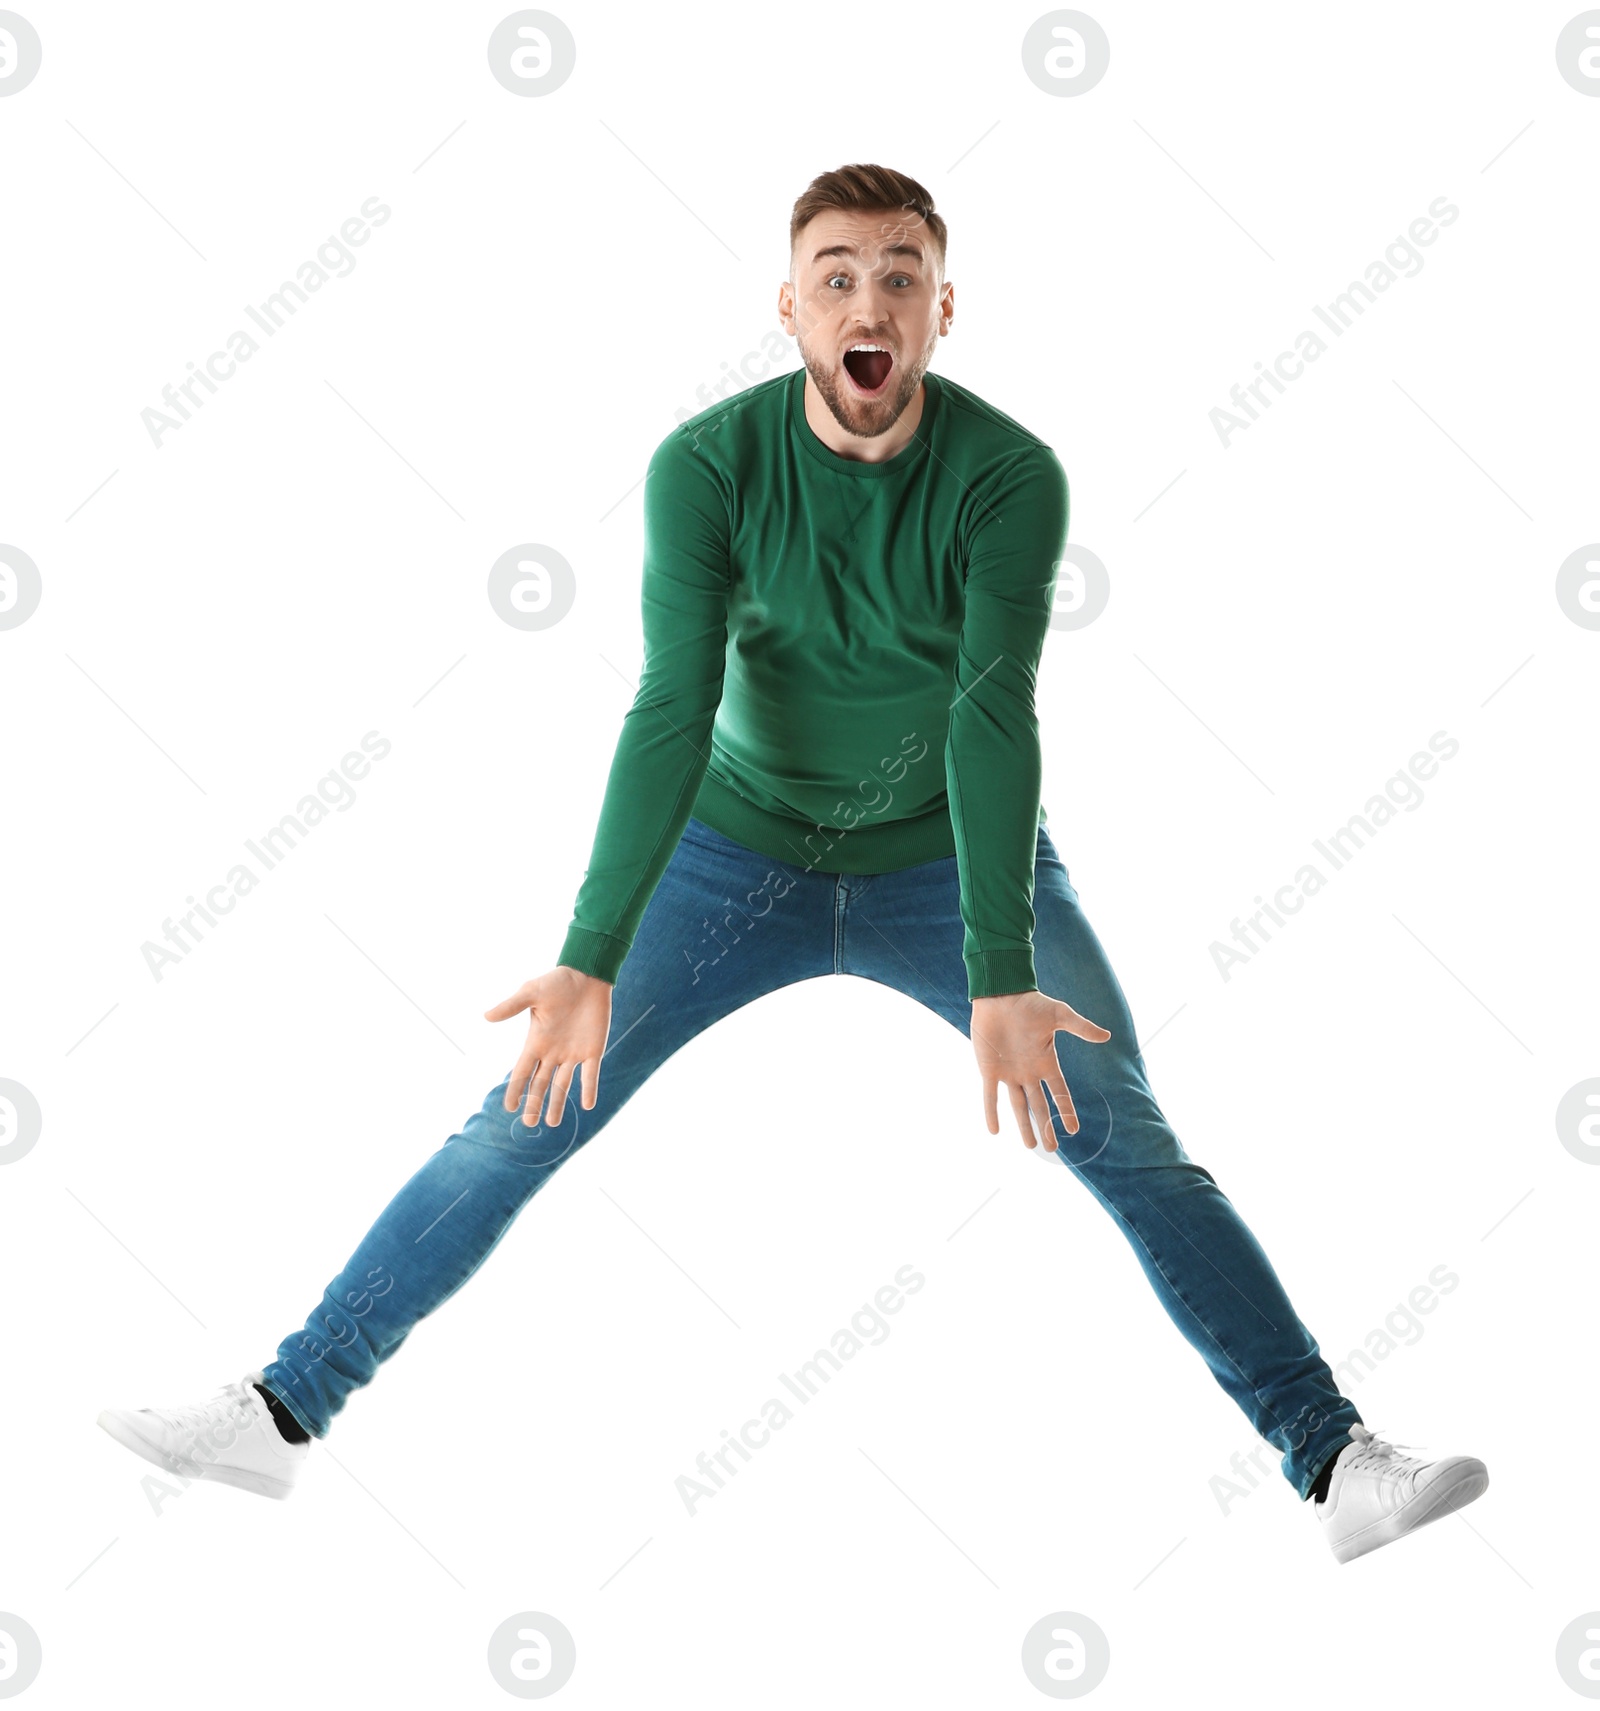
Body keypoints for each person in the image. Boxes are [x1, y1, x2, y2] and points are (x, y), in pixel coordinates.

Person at [99, 162, 1487, 1564]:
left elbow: (991, 715)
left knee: (1127, 1139)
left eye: (898, 276)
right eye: (836, 275)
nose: (866, 301)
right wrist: (589, 957)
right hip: (732, 855)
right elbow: (669, 707)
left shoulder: (1009, 476)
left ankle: (1335, 1465)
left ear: (946, 310)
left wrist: (999, 971)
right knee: (521, 1120)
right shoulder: (706, 467)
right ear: (789, 308)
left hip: (950, 867)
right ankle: (278, 1415)